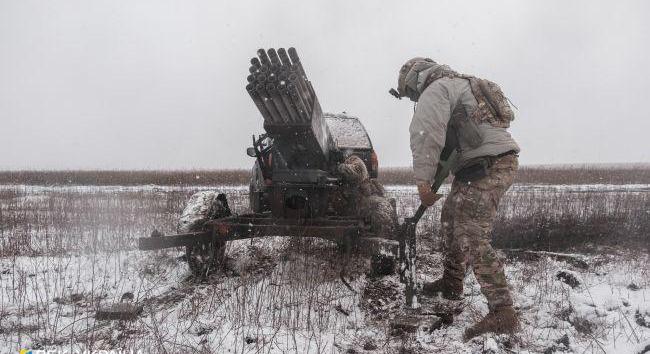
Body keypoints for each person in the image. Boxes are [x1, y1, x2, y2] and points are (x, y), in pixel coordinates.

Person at [392, 57, 521, 340]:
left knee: (470, 233)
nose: (415, 98)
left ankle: (503, 312)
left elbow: (426, 134)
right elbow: (451, 143)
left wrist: (423, 183)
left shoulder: (436, 89)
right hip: (480, 166)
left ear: (415, 79)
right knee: (451, 220)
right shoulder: (461, 84)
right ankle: (452, 283)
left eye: (411, 92)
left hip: (489, 165)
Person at [336, 154, 397, 238]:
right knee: (379, 207)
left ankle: (387, 235)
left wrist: (340, 166)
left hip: (366, 201)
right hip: (361, 203)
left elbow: (357, 173)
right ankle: (384, 236)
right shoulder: (352, 164)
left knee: (385, 205)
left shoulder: (354, 161)